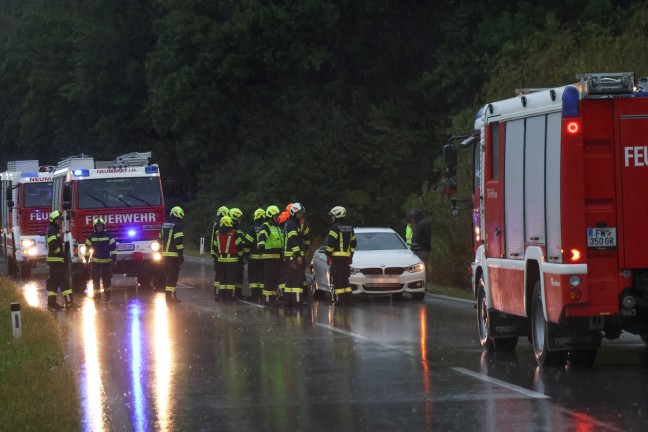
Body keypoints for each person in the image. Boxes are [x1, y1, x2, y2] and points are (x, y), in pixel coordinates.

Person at [45, 210, 80, 310]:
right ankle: (69, 303)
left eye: (60, 220)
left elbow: (53, 243)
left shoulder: (53, 229)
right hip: (56, 261)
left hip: (54, 261)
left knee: (53, 283)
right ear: (53, 220)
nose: (59, 221)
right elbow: (52, 245)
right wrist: (61, 253)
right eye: (57, 220)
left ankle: (51, 304)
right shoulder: (52, 229)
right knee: (64, 282)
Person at [325, 206, 356, 305]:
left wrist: (329, 255)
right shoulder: (350, 228)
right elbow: (354, 243)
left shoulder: (335, 228)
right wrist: (350, 255)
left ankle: (341, 301)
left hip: (336, 257)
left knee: (338, 279)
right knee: (345, 279)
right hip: (346, 258)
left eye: (333, 216)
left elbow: (330, 243)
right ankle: (349, 300)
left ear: (338, 215)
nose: (332, 218)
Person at [83, 217, 117, 303]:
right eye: (97, 226)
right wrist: (86, 259)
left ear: (103, 226)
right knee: (95, 280)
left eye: (100, 226)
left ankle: (107, 296)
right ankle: (97, 297)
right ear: (95, 227)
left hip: (106, 262)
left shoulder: (109, 237)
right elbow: (87, 250)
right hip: (95, 262)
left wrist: (114, 258)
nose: (99, 227)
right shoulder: (91, 237)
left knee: (107, 280)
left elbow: (113, 249)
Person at [257, 205, 284, 306]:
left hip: (277, 256)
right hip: (269, 256)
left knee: (275, 278)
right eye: (275, 215)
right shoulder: (266, 226)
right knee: (269, 278)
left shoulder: (276, 227)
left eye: (277, 215)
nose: (277, 217)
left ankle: (273, 298)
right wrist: (261, 246)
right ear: (270, 216)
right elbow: (262, 237)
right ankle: (267, 299)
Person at [159, 206, 185, 304]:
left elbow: (159, 239)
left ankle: (172, 296)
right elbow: (178, 242)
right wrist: (181, 255)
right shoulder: (177, 226)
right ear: (178, 214)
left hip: (164, 255)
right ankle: (169, 297)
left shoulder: (165, 224)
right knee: (173, 276)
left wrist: (160, 253)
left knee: (169, 275)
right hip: (173, 255)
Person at [214, 215, 243, 302]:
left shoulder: (217, 234)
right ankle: (229, 297)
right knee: (230, 279)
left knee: (222, 278)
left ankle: (222, 296)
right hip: (232, 260)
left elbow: (214, 247)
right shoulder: (234, 233)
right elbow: (239, 247)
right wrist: (241, 257)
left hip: (221, 260)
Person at [283, 203, 308, 307]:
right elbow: (293, 241)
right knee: (297, 280)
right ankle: (297, 302)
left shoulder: (291, 223)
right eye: (299, 213)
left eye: (301, 213)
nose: (301, 215)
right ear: (294, 212)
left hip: (289, 257)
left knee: (289, 280)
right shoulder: (292, 224)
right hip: (293, 256)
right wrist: (298, 255)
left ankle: (288, 302)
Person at [244, 208, 266, 303]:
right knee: (262, 278)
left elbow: (248, 243)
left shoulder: (252, 228)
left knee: (253, 279)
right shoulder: (266, 227)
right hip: (264, 258)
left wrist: (245, 255)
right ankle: (262, 296)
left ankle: (253, 297)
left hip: (253, 258)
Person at [211, 206, 229, 302]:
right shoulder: (220, 223)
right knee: (219, 274)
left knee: (218, 273)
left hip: (215, 251)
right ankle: (218, 294)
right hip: (218, 252)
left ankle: (218, 293)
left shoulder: (216, 222)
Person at [228, 208, 245, 299]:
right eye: (239, 218)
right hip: (233, 256)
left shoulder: (238, 228)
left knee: (239, 275)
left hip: (239, 256)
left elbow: (242, 239)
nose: (240, 220)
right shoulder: (230, 228)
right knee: (232, 275)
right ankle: (231, 294)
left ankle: (238, 293)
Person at [412, 209, 431, 273]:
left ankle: (420, 280)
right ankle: (425, 279)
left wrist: (414, 247)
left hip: (420, 250)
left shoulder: (419, 225)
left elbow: (416, 237)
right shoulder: (426, 223)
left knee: (418, 267)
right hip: (427, 249)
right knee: (425, 266)